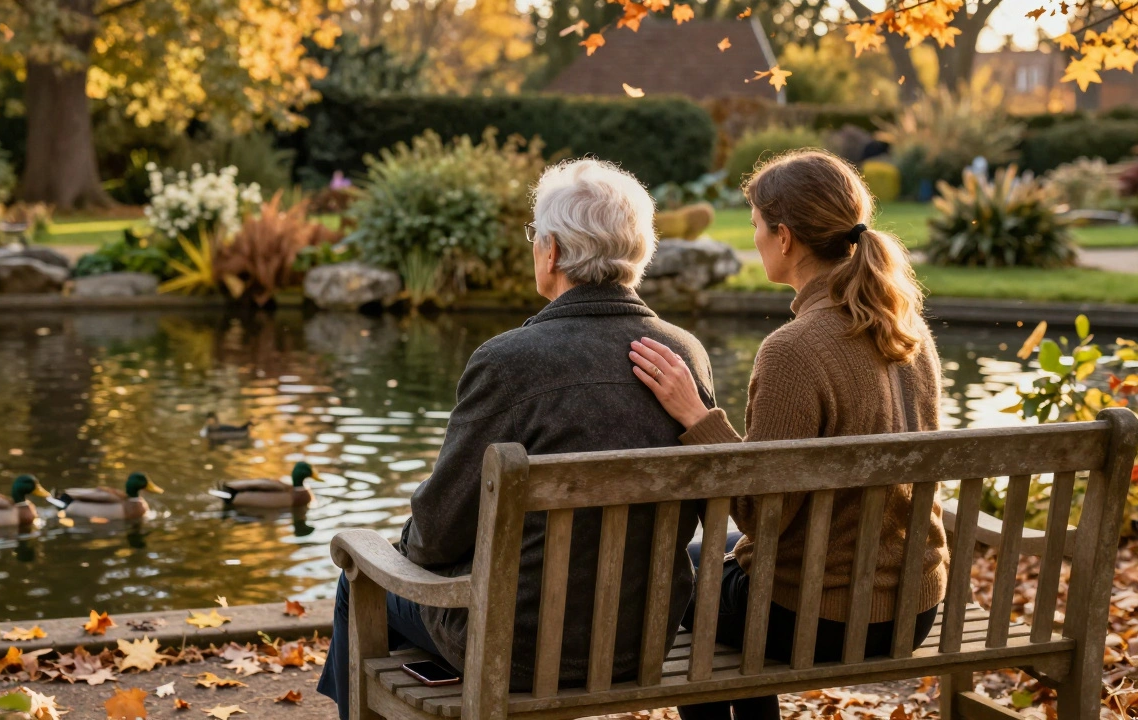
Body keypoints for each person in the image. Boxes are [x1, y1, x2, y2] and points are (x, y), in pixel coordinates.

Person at [318, 158, 717, 719]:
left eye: (536, 237)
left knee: (358, 576)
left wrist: (403, 548)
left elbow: (436, 532)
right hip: (641, 644)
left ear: (551, 252)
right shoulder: (684, 353)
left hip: (519, 651)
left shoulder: (508, 362)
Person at [627, 149, 949, 720]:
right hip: (913, 607)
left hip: (824, 617)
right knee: (699, 560)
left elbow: (761, 514)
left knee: (670, 578)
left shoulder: (794, 351)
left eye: (756, 224)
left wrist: (697, 417)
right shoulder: (909, 332)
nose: (753, 238)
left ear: (784, 237)